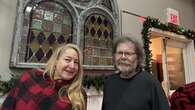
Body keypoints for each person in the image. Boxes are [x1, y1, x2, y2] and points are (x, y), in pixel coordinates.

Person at [1, 44, 87, 110]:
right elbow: (8, 105)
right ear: (56, 61)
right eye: (67, 60)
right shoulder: (30, 77)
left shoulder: (78, 95)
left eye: (76, 62)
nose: (72, 66)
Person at [101, 36, 170, 110]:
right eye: (120, 53)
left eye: (128, 53)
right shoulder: (109, 82)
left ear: (138, 57)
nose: (123, 57)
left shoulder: (151, 83)